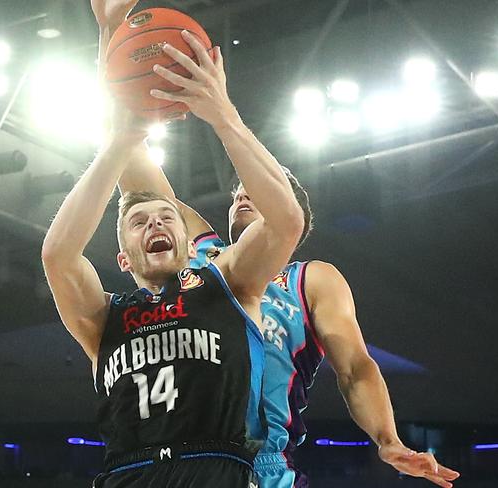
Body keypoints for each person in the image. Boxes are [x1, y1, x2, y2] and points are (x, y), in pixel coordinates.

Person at [94, 2, 461, 487]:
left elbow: (355, 368)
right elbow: (128, 154)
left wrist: (387, 438)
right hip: (176, 458)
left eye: (256, 187)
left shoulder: (312, 277)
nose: (242, 191)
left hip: (266, 464)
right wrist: (110, 35)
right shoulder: (198, 252)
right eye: (236, 192)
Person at [43, 7, 304, 488]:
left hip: (216, 467)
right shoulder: (103, 318)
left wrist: (223, 116)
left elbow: (286, 222)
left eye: (167, 217)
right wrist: (120, 139)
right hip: (129, 473)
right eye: (138, 221)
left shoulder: (227, 285)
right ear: (123, 258)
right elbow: (58, 256)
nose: (155, 222)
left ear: (189, 246)